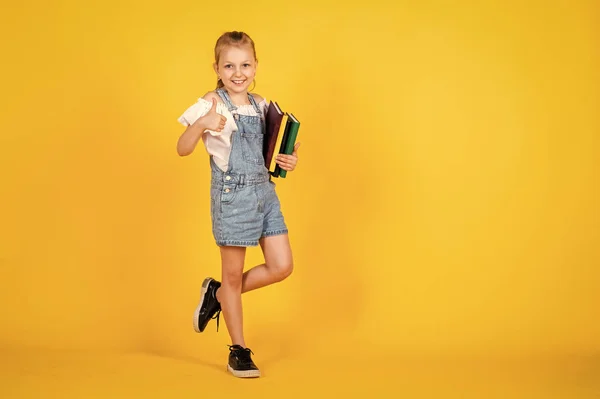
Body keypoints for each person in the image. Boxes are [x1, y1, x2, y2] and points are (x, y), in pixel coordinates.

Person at [175, 31, 300, 378]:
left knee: (282, 266)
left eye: (245, 64)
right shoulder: (211, 103)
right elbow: (182, 148)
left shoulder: (261, 104)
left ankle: (217, 294)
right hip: (233, 198)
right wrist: (201, 124)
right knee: (233, 275)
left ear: (256, 66)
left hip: (265, 195)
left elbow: (269, 156)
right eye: (229, 65)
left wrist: (287, 159)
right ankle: (238, 349)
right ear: (217, 67)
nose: (238, 72)